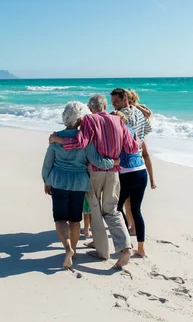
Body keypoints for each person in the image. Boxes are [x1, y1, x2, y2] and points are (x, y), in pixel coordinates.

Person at [49, 94, 139, 268]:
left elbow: (81, 143)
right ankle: (126, 248)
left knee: (95, 211)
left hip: (95, 171)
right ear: (105, 106)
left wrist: (58, 140)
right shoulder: (118, 121)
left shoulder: (90, 120)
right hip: (113, 171)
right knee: (112, 211)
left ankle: (102, 251)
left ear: (90, 108)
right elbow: (132, 147)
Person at [42, 101, 117, 268]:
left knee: (60, 218)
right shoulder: (85, 139)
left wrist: (46, 181)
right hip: (79, 182)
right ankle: (74, 250)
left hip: (58, 181)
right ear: (80, 119)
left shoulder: (55, 138)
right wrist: (114, 162)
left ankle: (67, 248)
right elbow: (96, 160)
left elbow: (48, 163)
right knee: (75, 219)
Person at [111, 110, 149, 258]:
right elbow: (138, 146)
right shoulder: (132, 130)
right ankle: (141, 248)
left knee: (118, 208)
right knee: (136, 210)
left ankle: (127, 242)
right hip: (141, 171)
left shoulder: (115, 134)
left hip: (127, 173)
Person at [127, 89, 156, 189]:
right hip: (137, 133)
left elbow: (148, 114)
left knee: (146, 155)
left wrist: (136, 105)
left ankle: (152, 179)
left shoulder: (139, 107)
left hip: (141, 133)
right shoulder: (128, 109)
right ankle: (150, 180)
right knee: (144, 155)